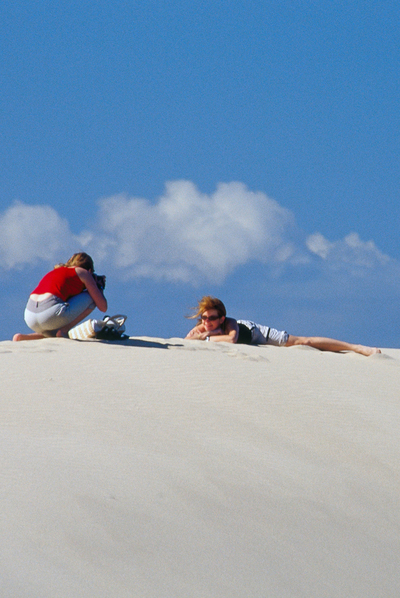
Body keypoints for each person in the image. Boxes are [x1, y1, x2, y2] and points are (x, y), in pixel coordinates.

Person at [185, 296, 381, 356]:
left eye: (211, 318)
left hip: (257, 333)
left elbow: (232, 339)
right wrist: (201, 334)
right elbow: (186, 342)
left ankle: (356, 347)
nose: (206, 322)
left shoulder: (231, 323)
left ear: (221, 318)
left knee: (305, 341)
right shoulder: (202, 328)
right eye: (204, 318)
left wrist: (208, 337)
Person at [13, 252, 107, 341]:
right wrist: (99, 286)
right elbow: (102, 306)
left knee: (52, 333)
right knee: (92, 297)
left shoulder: (58, 271)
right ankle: (64, 331)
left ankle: (23, 337)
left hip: (29, 315)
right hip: (49, 312)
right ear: (90, 270)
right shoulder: (84, 273)